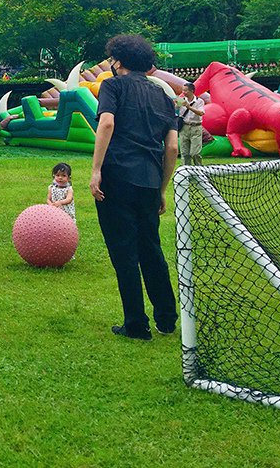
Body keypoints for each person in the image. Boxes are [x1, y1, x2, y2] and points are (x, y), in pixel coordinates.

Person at [89, 34, 179, 341]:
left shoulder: (112, 86)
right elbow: (172, 149)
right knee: (151, 249)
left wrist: (96, 170)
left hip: (117, 178)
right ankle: (167, 318)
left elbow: (107, 124)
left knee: (124, 252)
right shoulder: (164, 96)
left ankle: (136, 324)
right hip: (150, 181)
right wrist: (161, 190)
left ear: (118, 61)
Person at [176, 82, 205, 166]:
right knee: (185, 153)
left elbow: (201, 113)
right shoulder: (181, 100)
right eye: (183, 90)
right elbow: (174, 109)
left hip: (196, 127)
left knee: (195, 153)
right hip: (184, 127)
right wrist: (174, 103)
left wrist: (189, 107)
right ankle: (186, 173)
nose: (183, 92)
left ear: (192, 91)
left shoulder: (199, 101)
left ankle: (198, 171)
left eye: (185, 90)